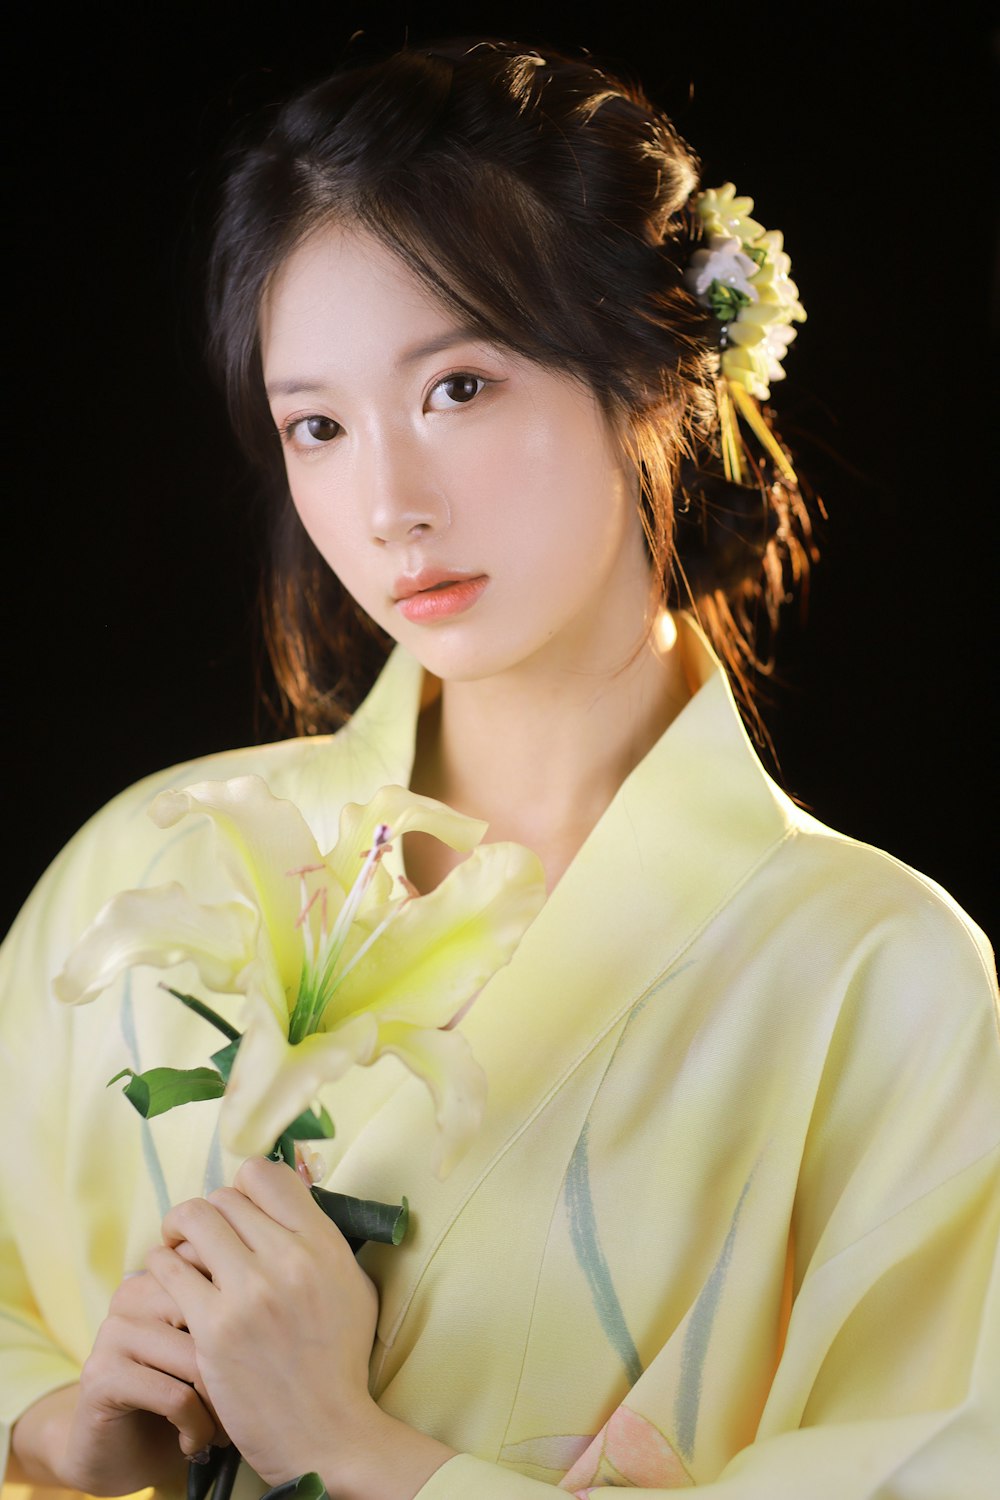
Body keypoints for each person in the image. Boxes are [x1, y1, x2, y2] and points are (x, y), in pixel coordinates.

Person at [2, 36, 997, 1500]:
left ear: (656, 374)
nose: (390, 503)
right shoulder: (158, 860)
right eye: (319, 426)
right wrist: (54, 1426)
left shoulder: (883, 979)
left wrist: (358, 1455)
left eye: (460, 387)